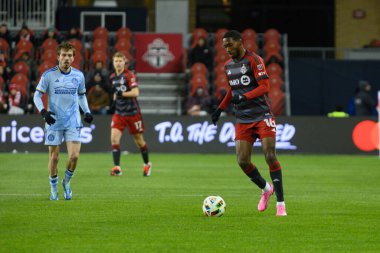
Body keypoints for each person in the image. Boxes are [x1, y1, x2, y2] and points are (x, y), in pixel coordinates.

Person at [211, 30, 286, 216]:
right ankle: (266, 189)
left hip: (262, 115)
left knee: (270, 156)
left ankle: (281, 204)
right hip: (243, 118)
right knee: (242, 161)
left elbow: (265, 87)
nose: (227, 49)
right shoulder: (228, 66)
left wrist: (244, 96)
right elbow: (231, 90)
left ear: (240, 42)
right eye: (224, 46)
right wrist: (220, 108)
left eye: (230, 44)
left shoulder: (255, 60)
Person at [33, 42, 93, 201]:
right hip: (54, 122)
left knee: (74, 156)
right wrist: (43, 112)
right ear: (58, 56)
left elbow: (81, 95)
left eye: (70, 55)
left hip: (73, 120)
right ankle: (53, 189)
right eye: (64, 55)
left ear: (73, 58)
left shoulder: (79, 76)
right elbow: (36, 96)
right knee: (54, 158)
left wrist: (86, 111)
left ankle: (66, 182)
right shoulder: (48, 75)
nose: (66, 58)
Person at [109, 52, 152, 177]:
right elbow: (115, 93)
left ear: (124, 62)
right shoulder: (112, 77)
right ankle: (117, 168)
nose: (118, 63)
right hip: (119, 113)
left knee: (139, 141)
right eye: (116, 61)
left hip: (133, 113)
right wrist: (113, 102)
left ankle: (147, 164)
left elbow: (135, 92)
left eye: (120, 61)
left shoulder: (129, 75)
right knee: (114, 139)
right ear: (113, 62)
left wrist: (121, 94)